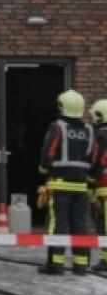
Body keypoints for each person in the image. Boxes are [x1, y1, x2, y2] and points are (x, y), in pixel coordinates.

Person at [37, 89, 97, 275]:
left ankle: (56, 264)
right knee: (79, 223)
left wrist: (44, 170)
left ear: (62, 106)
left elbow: (49, 151)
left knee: (58, 223)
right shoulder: (89, 129)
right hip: (81, 185)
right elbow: (92, 156)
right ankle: (80, 265)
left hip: (59, 184)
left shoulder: (58, 127)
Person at [89, 98, 107, 271]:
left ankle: (106, 260)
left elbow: (98, 162)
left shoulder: (101, 137)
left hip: (103, 188)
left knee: (103, 224)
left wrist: (89, 179)